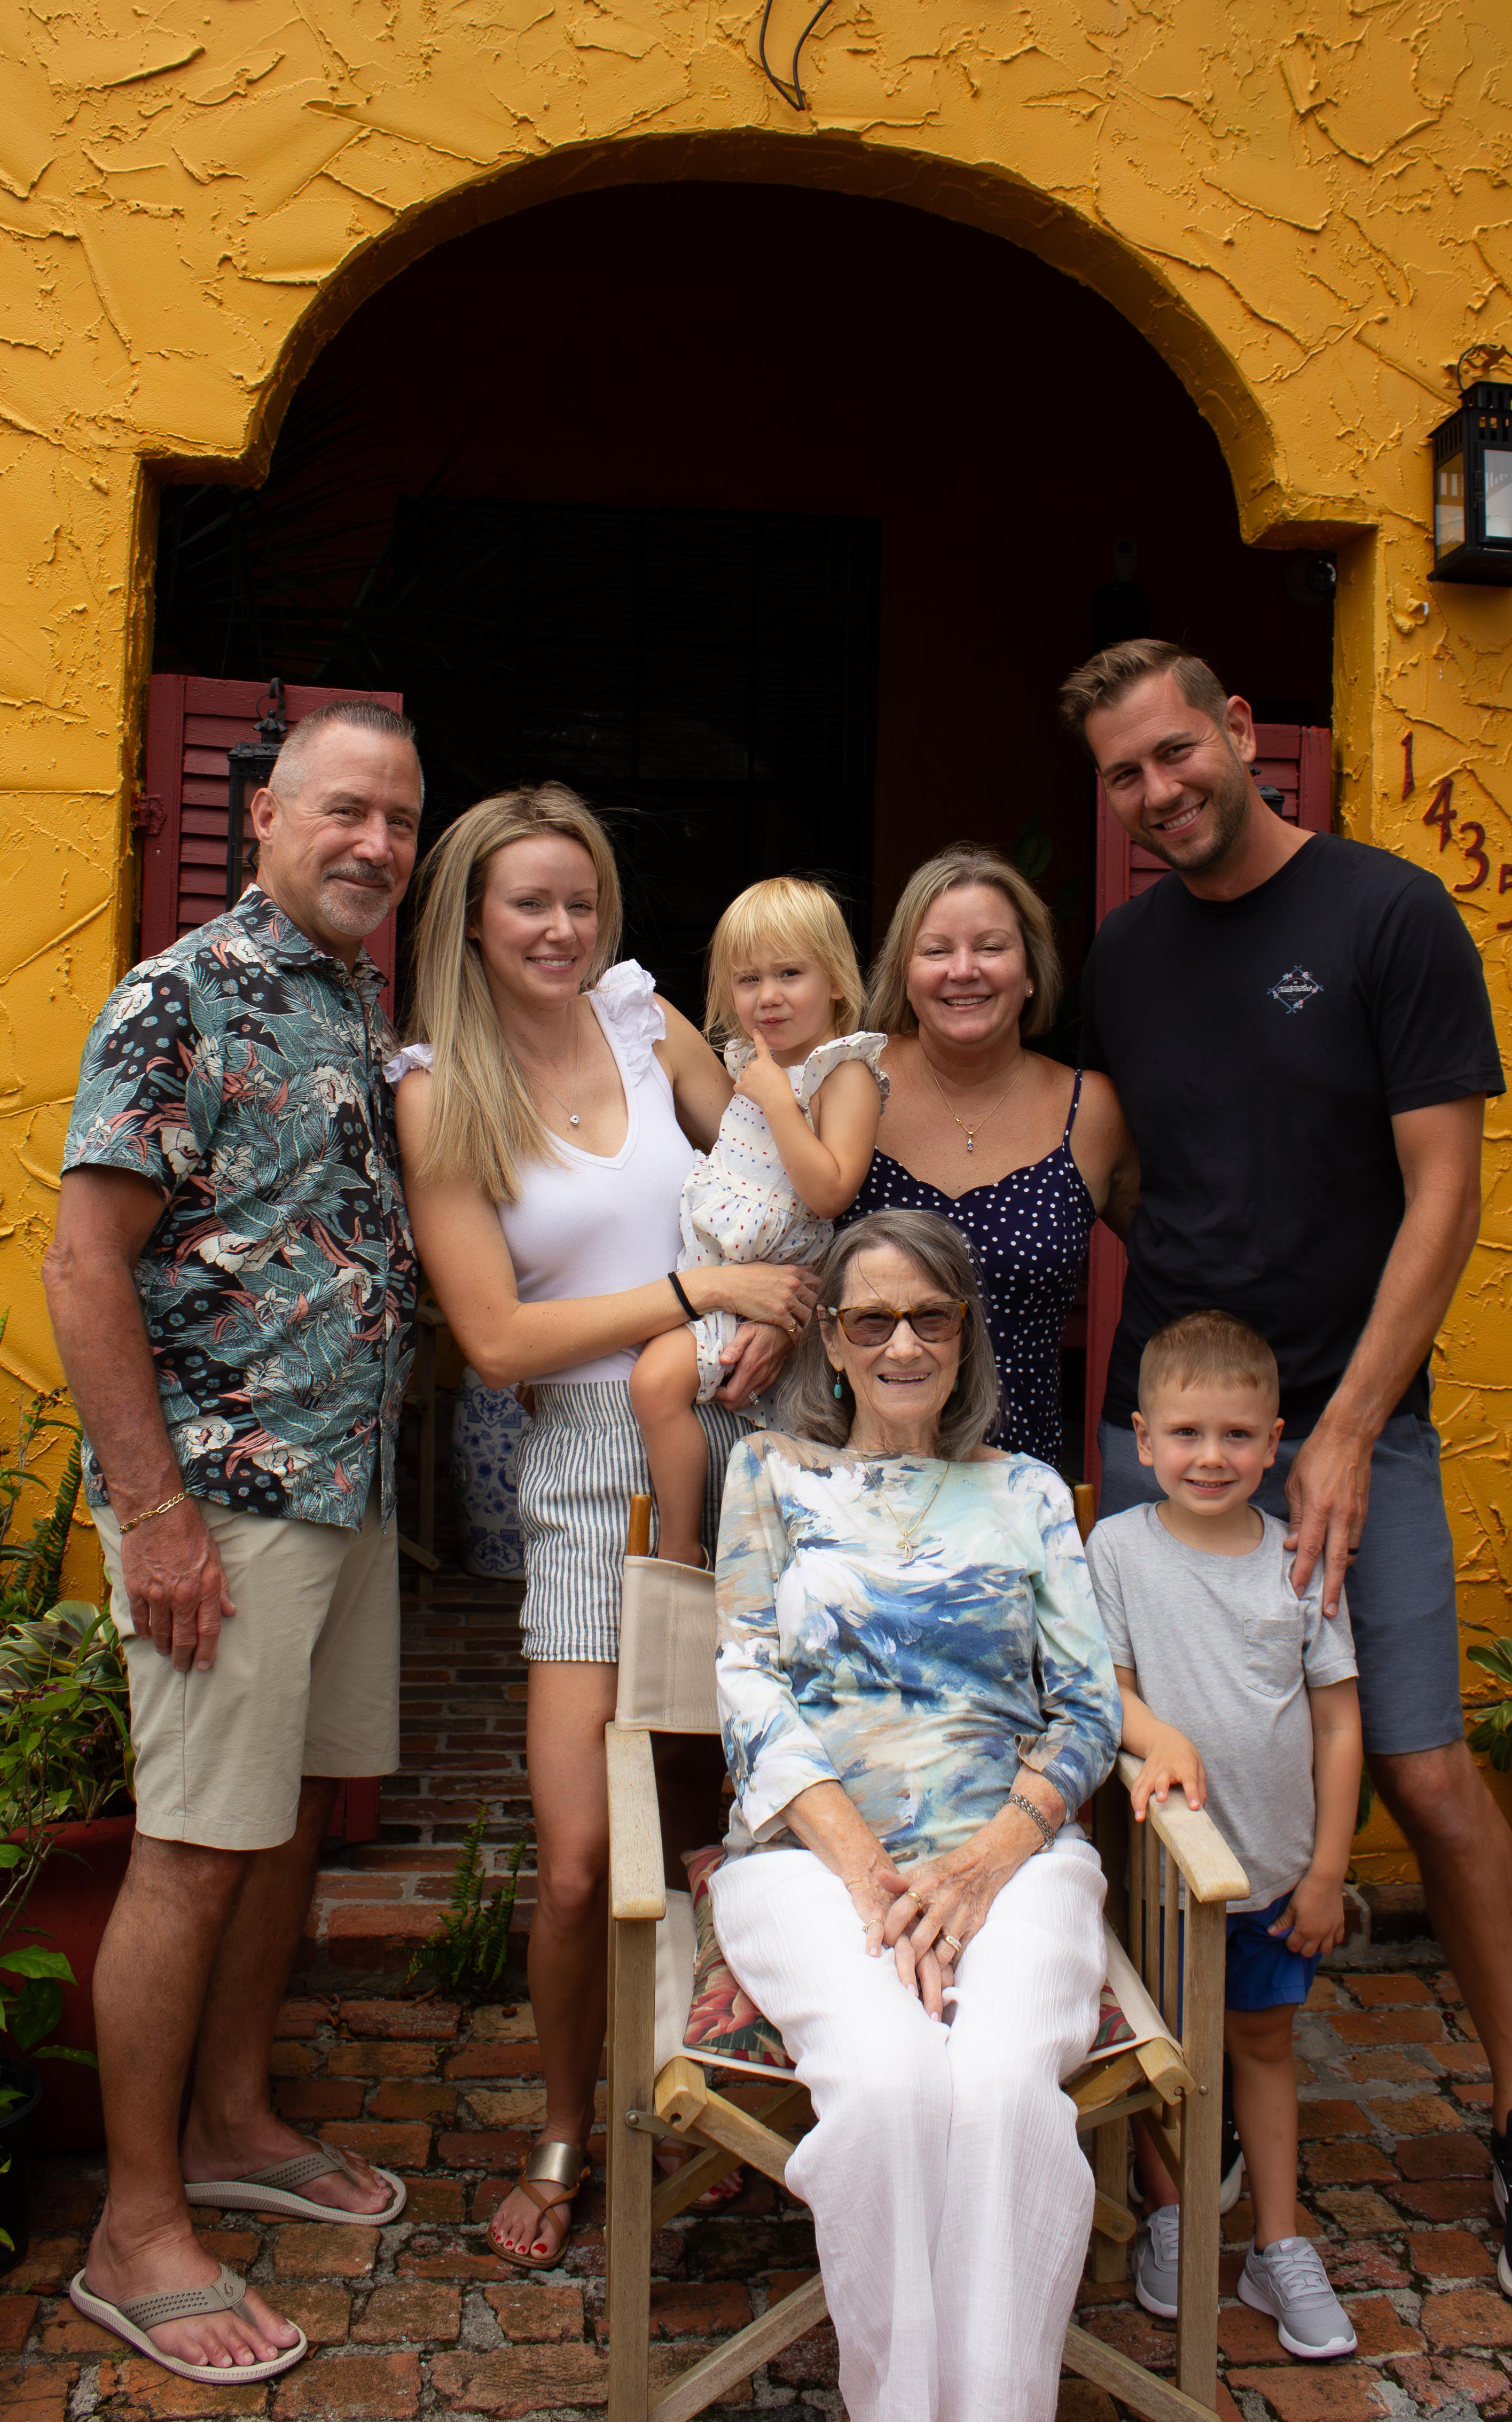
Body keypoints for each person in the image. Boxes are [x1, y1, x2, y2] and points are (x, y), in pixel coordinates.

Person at [1062, 635, 1512, 2308]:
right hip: (1164, 1429)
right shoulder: (1124, 954)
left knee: (1428, 1772)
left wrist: (1352, 1426)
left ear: (1238, 733)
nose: (1156, 791)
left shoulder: (1385, 916)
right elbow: (1100, 1164)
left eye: (1175, 751)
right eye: (1122, 774)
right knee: (1138, 1770)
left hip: (1356, 1413)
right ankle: (1183, 2120)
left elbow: (1439, 1192)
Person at [43, 700, 425, 2387]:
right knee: (190, 1843)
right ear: (264, 809)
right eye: (346, 809)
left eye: (402, 821)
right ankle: (134, 2229)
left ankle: (230, 2115)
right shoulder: (174, 995)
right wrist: (152, 1514)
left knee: (279, 1833)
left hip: (345, 1491)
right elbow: (80, 1263)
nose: (376, 845)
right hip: (224, 1499)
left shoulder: (355, 997)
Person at [389, 785, 817, 2271]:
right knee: (579, 1855)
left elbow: (786, 1160)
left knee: (736, 1821)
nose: (563, 928)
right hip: (581, 1467)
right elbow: (497, 1336)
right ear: (472, 919)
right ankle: (564, 2124)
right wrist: (701, 1295)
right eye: (530, 903)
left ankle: (740, 2115)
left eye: (580, 899)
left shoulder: (645, 1018)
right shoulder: (440, 1089)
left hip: (748, 1439)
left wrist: (789, 1301)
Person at [709, 1207, 1123, 2422]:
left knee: (999, 2088)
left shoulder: (1026, 1493)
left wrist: (987, 1858)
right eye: (870, 1317)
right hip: (805, 1856)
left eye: (928, 1315)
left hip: (1014, 1851)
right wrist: (869, 1870)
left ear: (963, 1334)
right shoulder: (766, 1476)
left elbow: (1089, 1705)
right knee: (890, 2085)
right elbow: (743, 1682)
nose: (901, 1342)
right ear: (829, 1341)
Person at [1086, 1311, 1361, 2358]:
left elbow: (1335, 1716)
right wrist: (1152, 1729)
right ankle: (1170, 2210)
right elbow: (1098, 1684)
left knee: (1258, 2044)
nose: (1211, 1456)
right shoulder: (1115, 1548)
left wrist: (1329, 1864)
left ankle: (1277, 2244)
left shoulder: (1294, 1558)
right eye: (1187, 1433)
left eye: (1236, 1435)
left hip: (1275, 1874)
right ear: (1142, 1437)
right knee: (1164, 2053)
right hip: (1160, 1880)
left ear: (1274, 1440)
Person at [845, 845, 1134, 1468]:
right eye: (936, 950)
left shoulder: (1091, 1112)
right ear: (904, 971)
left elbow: (1177, 1259)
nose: (963, 969)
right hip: (852, 1479)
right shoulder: (846, 1085)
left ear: (1030, 970)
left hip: (1018, 1488)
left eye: (991, 946)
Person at [631, 876, 886, 1566]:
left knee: (657, 1384)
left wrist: (778, 1100)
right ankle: (694, 1540)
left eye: (789, 973)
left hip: (769, 1286)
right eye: (747, 979)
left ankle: (680, 1545)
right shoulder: (751, 1061)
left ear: (834, 979)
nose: (767, 995)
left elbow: (831, 1188)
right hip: (716, 1275)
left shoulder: (844, 1073)